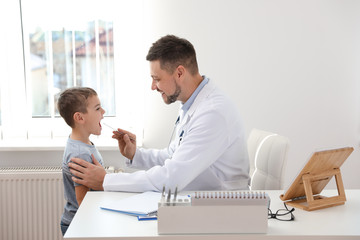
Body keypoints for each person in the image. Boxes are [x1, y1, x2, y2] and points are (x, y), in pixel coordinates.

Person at [69, 35, 250, 193]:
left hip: (222, 210)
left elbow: (171, 178)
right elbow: (173, 156)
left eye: (157, 79)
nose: (153, 87)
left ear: (179, 72)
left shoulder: (212, 113)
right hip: (201, 199)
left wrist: (105, 180)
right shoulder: (192, 104)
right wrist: (135, 154)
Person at [57, 87, 105, 236]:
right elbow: (84, 203)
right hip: (80, 225)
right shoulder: (80, 154)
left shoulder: (82, 144)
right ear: (79, 118)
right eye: (97, 108)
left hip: (81, 222)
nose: (103, 112)